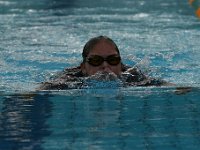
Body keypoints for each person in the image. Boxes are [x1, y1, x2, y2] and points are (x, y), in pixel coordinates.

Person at [38, 36, 169, 90]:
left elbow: (165, 85)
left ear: (121, 65)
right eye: (96, 61)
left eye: (113, 60)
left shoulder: (132, 76)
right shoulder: (70, 79)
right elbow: (41, 89)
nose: (105, 66)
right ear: (83, 67)